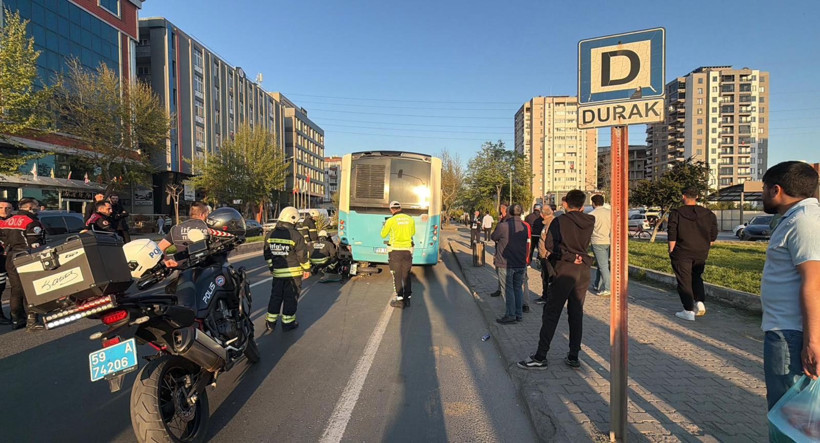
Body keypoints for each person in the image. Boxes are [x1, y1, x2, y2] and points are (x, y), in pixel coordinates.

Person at [758, 161, 820, 411]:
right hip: (787, 330)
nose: (761, 194)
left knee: (789, 411)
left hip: (792, 334)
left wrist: (812, 341)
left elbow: (813, 283)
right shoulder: (795, 218)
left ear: (776, 189)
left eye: (763, 189)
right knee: (787, 408)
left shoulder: (804, 222)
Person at [518, 190, 594, 369]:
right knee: (576, 313)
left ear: (566, 203)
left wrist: (566, 256)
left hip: (564, 269)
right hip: (583, 269)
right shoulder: (590, 221)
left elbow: (550, 245)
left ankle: (540, 356)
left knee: (551, 313)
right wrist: (577, 255)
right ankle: (574, 355)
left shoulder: (560, 221)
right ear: (583, 205)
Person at [667, 187, 718, 321]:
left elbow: (672, 232)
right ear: (697, 197)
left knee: (684, 280)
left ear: (683, 196)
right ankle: (699, 302)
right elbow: (713, 233)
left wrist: (671, 249)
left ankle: (688, 310)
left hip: (682, 251)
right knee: (696, 276)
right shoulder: (708, 213)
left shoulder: (676, 213)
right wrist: (708, 243)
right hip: (701, 251)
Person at [0, 198, 46, 331]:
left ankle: (17, 319)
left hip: (10, 257)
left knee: (16, 290)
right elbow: (35, 244)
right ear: (31, 207)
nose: (38, 209)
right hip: (26, 257)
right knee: (30, 289)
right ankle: (32, 321)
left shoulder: (9, 220)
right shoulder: (31, 221)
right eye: (36, 206)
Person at [265, 206, 311, 330]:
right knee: (290, 298)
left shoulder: (270, 234)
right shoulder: (296, 235)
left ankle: (270, 322)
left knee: (275, 296)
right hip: (293, 274)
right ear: (293, 219)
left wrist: (271, 268)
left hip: (277, 274)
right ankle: (287, 323)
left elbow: (267, 254)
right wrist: (307, 269)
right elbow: (302, 255)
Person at [492, 204, 530, 324]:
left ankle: (510, 314)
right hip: (520, 262)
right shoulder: (524, 226)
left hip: (506, 263)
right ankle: (518, 314)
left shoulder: (503, 226)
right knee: (518, 288)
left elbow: (494, 237)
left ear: (509, 213)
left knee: (508, 289)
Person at [381, 201, 415, 308]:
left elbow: (383, 235)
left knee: (397, 275)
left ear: (391, 209)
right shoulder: (410, 219)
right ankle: (408, 299)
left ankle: (400, 300)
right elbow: (412, 233)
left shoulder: (391, 220)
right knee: (406, 275)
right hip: (407, 251)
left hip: (395, 251)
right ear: (400, 208)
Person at [523, 204, 545, 312]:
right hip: (539, 235)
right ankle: (540, 262)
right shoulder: (541, 217)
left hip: (531, 235)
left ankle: (528, 263)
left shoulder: (529, 216)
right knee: (539, 250)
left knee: (530, 250)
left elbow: (526, 224)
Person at [589, 195, 612, 296]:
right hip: (610, 241)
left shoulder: (592, 214)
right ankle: (597, 284)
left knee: (602, 266)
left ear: (593, 203)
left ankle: (608, 288)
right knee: (603, 264)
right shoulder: (610, 213)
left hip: (598, 242)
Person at [534, 205, 557, 305]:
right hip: (544, 255)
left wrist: (549, 251)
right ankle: (546, 295)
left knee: (548, 277)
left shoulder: (552, 223)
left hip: (548, 256)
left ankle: (548, 297)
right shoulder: (547, 223)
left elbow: (553, 239)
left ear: (542, 215)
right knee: (545, 276)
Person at [0, 200, 14, 325]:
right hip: (0, 261)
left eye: (8, 208)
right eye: (1, 207)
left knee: (18, 287)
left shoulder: (15, 222)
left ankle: (17, 314)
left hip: (13, 259)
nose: (4, 210)